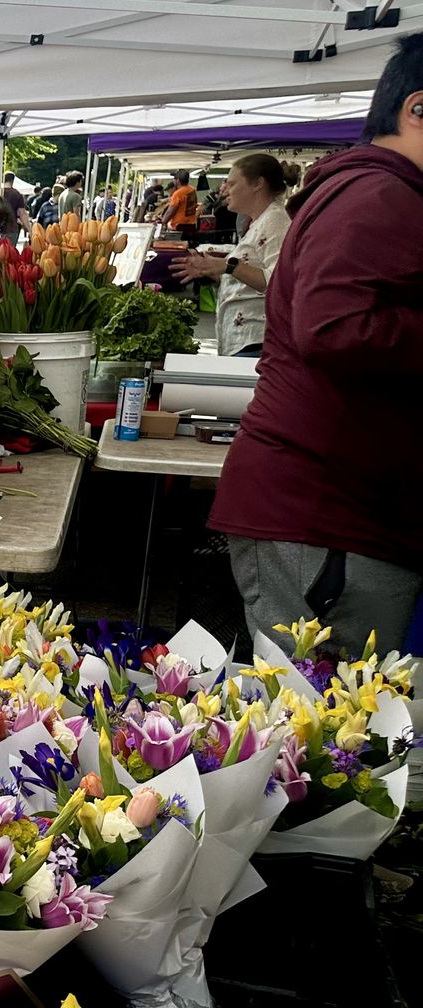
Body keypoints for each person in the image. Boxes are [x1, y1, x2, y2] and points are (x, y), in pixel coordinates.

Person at [209, 33, 423, 653]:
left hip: (337, 513)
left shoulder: (375, 192)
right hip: (324, 517)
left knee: (319, 724)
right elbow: (333, 325)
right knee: (313, 726)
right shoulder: (377, 194)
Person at [171, 154, 291, 356]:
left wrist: (228, 266)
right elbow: (248, 284)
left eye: (232, 183)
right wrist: (211, 271)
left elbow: (277, 282)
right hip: (243, 341)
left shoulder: (275, 221)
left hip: (257, 343)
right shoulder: (259, 221)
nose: (224, 189)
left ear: (257, 184)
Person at [159, 169, 199, 237]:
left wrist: (163, 222)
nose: (173, 180)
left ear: (178, 180)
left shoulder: (178, 193)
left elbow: (170, 211)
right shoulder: (192, 190)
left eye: (174, 179)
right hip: (192, 225)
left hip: (179, 227)